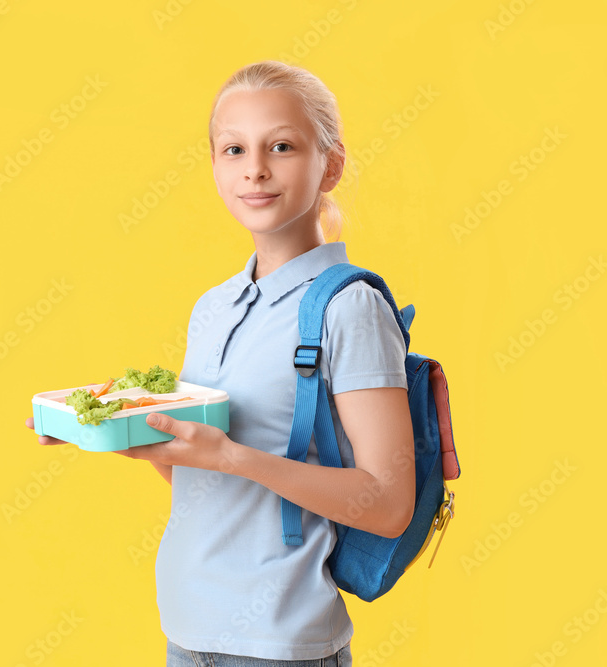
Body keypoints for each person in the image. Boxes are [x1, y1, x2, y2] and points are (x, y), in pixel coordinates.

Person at [25, 60, 415, 667]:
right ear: (214, 166)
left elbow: (389, 506)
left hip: (281, 643)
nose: (254, 168)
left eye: (281, 146)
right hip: (187, 629)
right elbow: (207, 479)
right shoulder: (213, 308)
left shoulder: (349, 307)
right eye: (233, 149)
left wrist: (232, 455)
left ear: (330, 165)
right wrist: (129, 436)